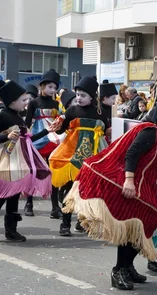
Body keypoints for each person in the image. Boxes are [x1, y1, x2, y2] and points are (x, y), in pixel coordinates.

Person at [63, 102, 157, 290]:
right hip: (125, 181)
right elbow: (132, 154)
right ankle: (119, 270)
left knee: (144, 223)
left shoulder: (152, 132)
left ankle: (127, 266)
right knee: (135, 224)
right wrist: (128, 181)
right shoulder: (151, 132)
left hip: (139, 184)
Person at [50, 76, 109, 237]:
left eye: (83, 95)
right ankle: (65, 223)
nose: (79, 98)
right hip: (72, 156)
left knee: (87, 191)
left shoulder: (101, 113)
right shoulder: (71, 110)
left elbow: (106, 132)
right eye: (77, 95)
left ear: (92, 97)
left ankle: (82, 222)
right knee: (69, 190)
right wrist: (58, 125)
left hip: (92, 158)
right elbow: (61, 131)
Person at [0, 80, 58, 241]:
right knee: (3, 195)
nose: (27, 103)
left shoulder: (17, 116)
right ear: (12, 101)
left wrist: (47, 130)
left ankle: (11, 230)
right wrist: (5, 136)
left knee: (13, 196)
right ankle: (10, 230)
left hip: (18, 164)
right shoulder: (2, 115)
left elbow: (28, 139)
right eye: (23, 100)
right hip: (5, 163)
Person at [24, 69, 62, 218]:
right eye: (50, 87)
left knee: (54, 172)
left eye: (55, 87)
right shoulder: (33, 102)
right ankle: (29, 203)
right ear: (42, 86)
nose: (53, 90)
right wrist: (25, 137)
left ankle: (55, 206)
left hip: (53, 140)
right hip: (37, 139)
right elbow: (28, 122)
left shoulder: (56, 103)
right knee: (33, 172)